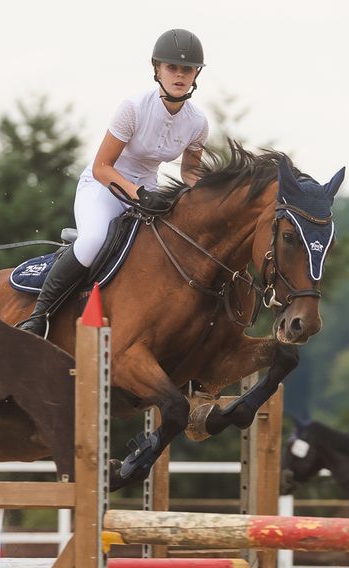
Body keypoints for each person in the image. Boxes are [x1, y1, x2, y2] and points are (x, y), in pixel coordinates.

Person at [18, 29, 209, 337]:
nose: (179, 75)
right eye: (172, 67)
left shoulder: (198, 123)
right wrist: (137, 194)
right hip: (104, 187)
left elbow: (190, 173)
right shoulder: (133, 108)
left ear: (196, 73)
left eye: (187, 69)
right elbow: (101, 166)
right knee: (93, 241)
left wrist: (206, 196)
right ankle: (39, 316)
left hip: (149, 191)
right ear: (157, 69)